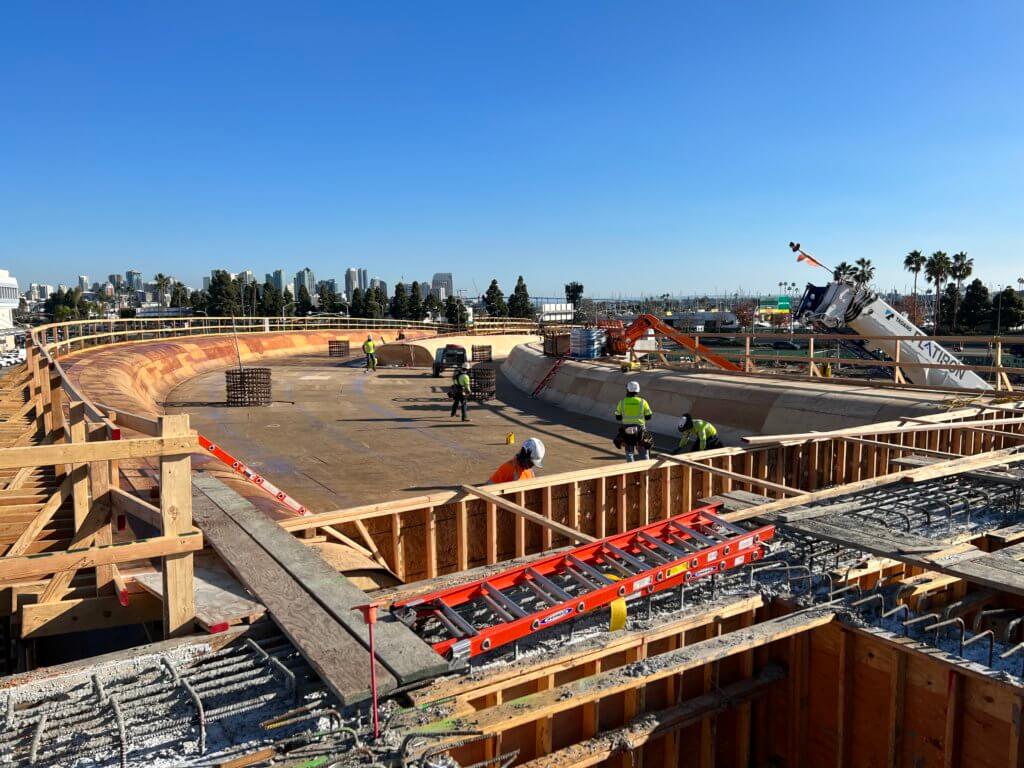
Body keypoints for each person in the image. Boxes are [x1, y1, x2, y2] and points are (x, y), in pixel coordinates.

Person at [613, 381, 653, 461]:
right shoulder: (643, 402)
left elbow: (618, 417)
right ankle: (645, 471)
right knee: (644, 453)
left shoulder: (622, 402)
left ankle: (631, 469)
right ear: (638, 391)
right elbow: (649, 416)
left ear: (627, 390)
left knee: (629, 453)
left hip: (626, 430)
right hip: (640, 430)